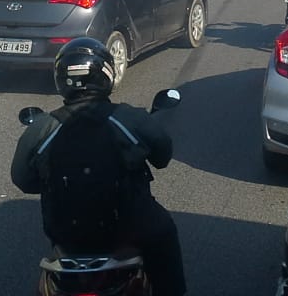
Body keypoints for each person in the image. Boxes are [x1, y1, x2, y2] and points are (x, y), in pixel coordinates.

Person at [11, 37, 186, 296]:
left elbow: (23, 180)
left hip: (67, 238)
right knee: (166, 234)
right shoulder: (130, 119)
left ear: (61, 79)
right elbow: (162, 157)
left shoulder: (43, 128)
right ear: (106, 74)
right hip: (131, 231)